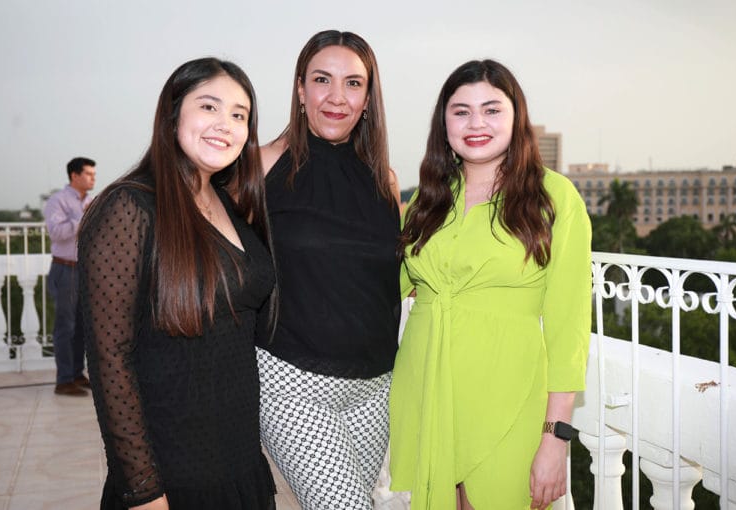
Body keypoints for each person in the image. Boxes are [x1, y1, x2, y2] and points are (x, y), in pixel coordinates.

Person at [389, 60, 592, 510]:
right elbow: (380, 287)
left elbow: (569, 328)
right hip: (425, 392)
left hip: (509, 398)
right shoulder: (426, 200)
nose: (476, 123)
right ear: (444, 123)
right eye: (461, 111)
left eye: (492, 110)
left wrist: (555, 438)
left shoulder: (554, 198)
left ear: (516, 117)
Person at [77, 58, 276, 510]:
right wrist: (143, 489)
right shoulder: (128, 207)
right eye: (209, 106)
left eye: (239, 115)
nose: (225, 124)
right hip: (173, 478)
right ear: (172, 115)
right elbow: (110, 360)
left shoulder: (229, 203)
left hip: (241, 467)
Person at [256, 30, 401, 510]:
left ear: (368, 98)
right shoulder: (260, 165)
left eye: (353, 83)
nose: (337, 97)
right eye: (322, 80)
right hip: (293, 384)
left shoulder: (384, 179)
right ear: (300, 90)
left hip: (374, 389)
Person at [44, 156, 96, 396]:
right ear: (74, 176)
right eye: (88, 174)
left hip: (85, 270)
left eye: (94, 174)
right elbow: (57, 233)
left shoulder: (92, 202)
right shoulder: (58, 200)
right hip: (65, 269)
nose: (93, 178)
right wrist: (83, 218)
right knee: (66, 327)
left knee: (82, 327)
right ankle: (63, 380)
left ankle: (76, 374)